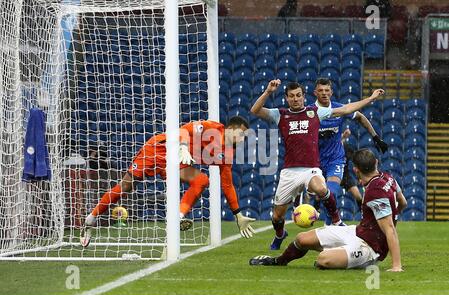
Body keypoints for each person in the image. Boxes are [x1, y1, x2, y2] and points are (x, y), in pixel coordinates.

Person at [250, 79, 384, 250]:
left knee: (322, 189)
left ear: (304, 97)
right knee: (277, 216)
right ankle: (279, 234)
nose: (295, 99)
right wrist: (268, 91)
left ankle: (336, 220)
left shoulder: (315, 113)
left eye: (298, 95)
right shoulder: (280, 114)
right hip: (289, 172)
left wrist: (371, 98)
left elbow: (346, 109)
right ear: (286, 98)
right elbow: (255, 110)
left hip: (311, 169)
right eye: (291, 96)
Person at [80, 117, 256, 247]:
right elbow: (183, 130)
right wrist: (185, 147)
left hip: (176, 161)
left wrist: (238, 214)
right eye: (241, 135)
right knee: (125, 186)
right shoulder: (211, 127)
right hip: (160, 148)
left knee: (202, 180)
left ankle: (177, 217)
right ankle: (91, 218)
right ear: (230, 129)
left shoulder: (228, 155)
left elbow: (227, 185)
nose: (242, 140)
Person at [249, 148, 406, 271]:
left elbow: (390, 229)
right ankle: (279, 261)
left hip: (370, 248)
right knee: (302, 239)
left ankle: (340, 253)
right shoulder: (387, 178)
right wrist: (394, 215)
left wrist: (396, 266)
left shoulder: (375, 191)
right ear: (376, 163)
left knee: (323, 259)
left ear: (355, 169)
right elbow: (403, 202)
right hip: (358, 232)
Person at [311, 78, 388, 224]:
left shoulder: (339, 108)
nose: (324, 93)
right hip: (315, 162)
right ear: (315, 93)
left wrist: (376, 137)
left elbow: (360, 117)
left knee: (331, 192)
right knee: (321, 194)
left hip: (335, 159)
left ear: (331, 92)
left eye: (327, 90)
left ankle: (331, 225)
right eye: (320, 90)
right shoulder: (309, 112)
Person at [340, 129, 363, 210]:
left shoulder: (347, 148)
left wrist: (360, 177)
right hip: (331, 173)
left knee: (358, 195)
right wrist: (343, 136)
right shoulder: (331, 146)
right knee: (320, 196)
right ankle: (314, 215)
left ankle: (363, 216)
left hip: (345, 175)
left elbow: (356, 163)